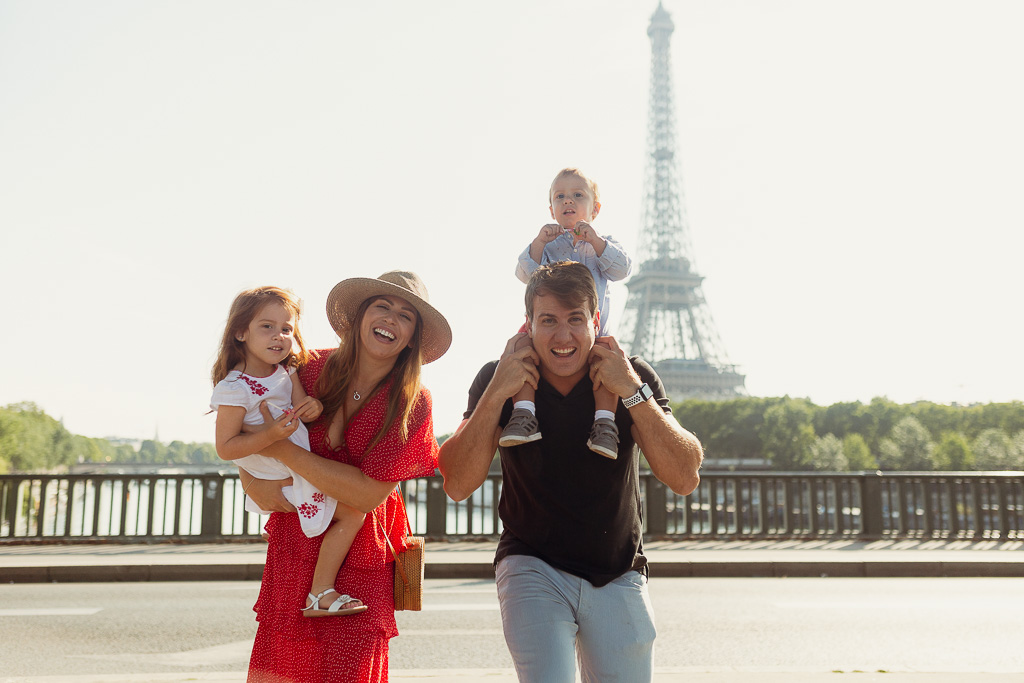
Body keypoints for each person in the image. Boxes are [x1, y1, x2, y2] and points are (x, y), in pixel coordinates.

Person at [439, 261, 702, 683]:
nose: (563, 336)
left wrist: (632, 392)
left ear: (595, 321)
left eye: (575, 319)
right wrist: (496, 394)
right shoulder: (499, 375)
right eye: (549, 321)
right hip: (531, 563)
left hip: (617, 569)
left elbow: (685, 477)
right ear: (528, 325)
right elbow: (457, 484)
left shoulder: (632, 374)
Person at [239, 271, 451, 683]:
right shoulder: (303, 369)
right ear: (358, 318)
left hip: (360, 567)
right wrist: (257, 483)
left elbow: (367, 495)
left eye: (405, 316)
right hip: (294, 549)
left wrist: (280, 448)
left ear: (412, 338)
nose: (391, 319)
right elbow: (244, 434)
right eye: (382, 307)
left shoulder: (412, 402)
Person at [209, 285, 369, 617]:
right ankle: (320, 591)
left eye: (286, 329)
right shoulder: (234, 388)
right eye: (266, 326)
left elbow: (299, 408)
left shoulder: (286, 371)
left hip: (291, 459)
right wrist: (269, 435)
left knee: (353, 513)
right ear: (240, 332)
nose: (279, 336)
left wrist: (310, 406)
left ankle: (319, 591)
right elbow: (226, 448)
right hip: (274, 467)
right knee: (354, 513)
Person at [499, 167, 632, 459]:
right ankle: (523, 414)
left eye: (577, 195)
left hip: (593, 331)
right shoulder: (548, 246)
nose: (568, 201)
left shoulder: (603, 244)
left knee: (606, 366)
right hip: (545, 327)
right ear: (551, 209)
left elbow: (621, 269)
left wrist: (596, 242)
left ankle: (605, 423)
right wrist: (538, 243)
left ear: (595, 209)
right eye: (560, 197)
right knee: (521, 352)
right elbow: (525, 274)